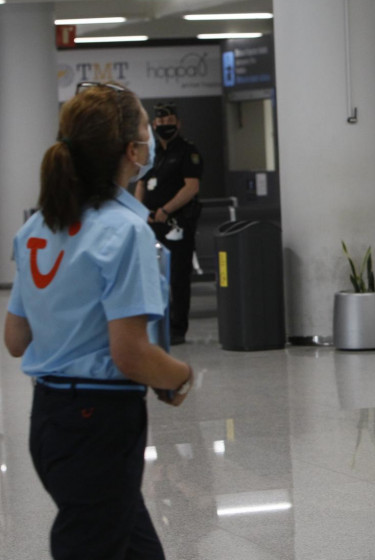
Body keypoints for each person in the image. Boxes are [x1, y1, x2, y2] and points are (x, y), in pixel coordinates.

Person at [3, 81, 194, 560]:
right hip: (101, 424)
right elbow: (130, 353)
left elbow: (15, 338)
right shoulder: (124, 230)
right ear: (133, 151)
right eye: (148, 127)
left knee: (135, 548)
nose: (154, 135)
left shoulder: (36, 227)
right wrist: (180, 376)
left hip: (49, 419)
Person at [135, 102, 203, 346]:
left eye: (169, 122)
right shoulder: (152, 155)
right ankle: (155, 324)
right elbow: (141, 184)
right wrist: (140, 212)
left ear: (178, 123)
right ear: (154, 125)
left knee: (178, 278)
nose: (165, 126)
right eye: (160, 123)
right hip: (151, 225)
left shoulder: (187, 151)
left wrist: (165, 210)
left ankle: (177, 329)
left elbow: (191, 187)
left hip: (178, 224)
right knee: (151, 278)